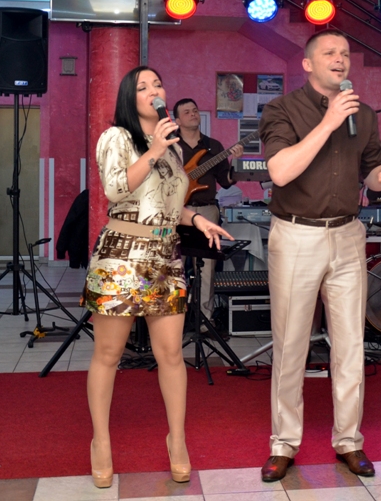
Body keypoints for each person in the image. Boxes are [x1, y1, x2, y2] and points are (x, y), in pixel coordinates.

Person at [257, 29, 381, 482]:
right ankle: (284, 443)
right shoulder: (282, 109)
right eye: (329, 53)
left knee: (351, 345)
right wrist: (328, 121)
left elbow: (370, 170)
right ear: (307, 64)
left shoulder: (364, 114)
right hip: (296, 235)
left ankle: (349, 440)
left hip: (348, 235)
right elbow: (280, 172)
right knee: (291, 344)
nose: (340, 59)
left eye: (345, 53)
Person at [85, 66, 232, 489]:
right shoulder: (116, 138)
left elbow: (166, 204)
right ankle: (101, 441)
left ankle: (177, 440)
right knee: (108, 354)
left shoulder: (172, 148)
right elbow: (116, 190)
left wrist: (196, 218)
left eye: (158, 84)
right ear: (129, 98)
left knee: (170, 355)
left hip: (166, 257)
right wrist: (152, 149)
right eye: (143, 86)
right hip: (121, 255)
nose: (154, 91)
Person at [173, 97, 243, 320]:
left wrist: (236, 162)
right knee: (172, 266)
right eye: (187, 112)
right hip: (176, 212)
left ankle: (205, 320)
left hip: (207, 210)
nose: (193, 114)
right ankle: (173, 319)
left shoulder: (214, 146)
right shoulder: (169, 145)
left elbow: (226, 181)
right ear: (177, 121)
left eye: (195, 110)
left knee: (207, 269)